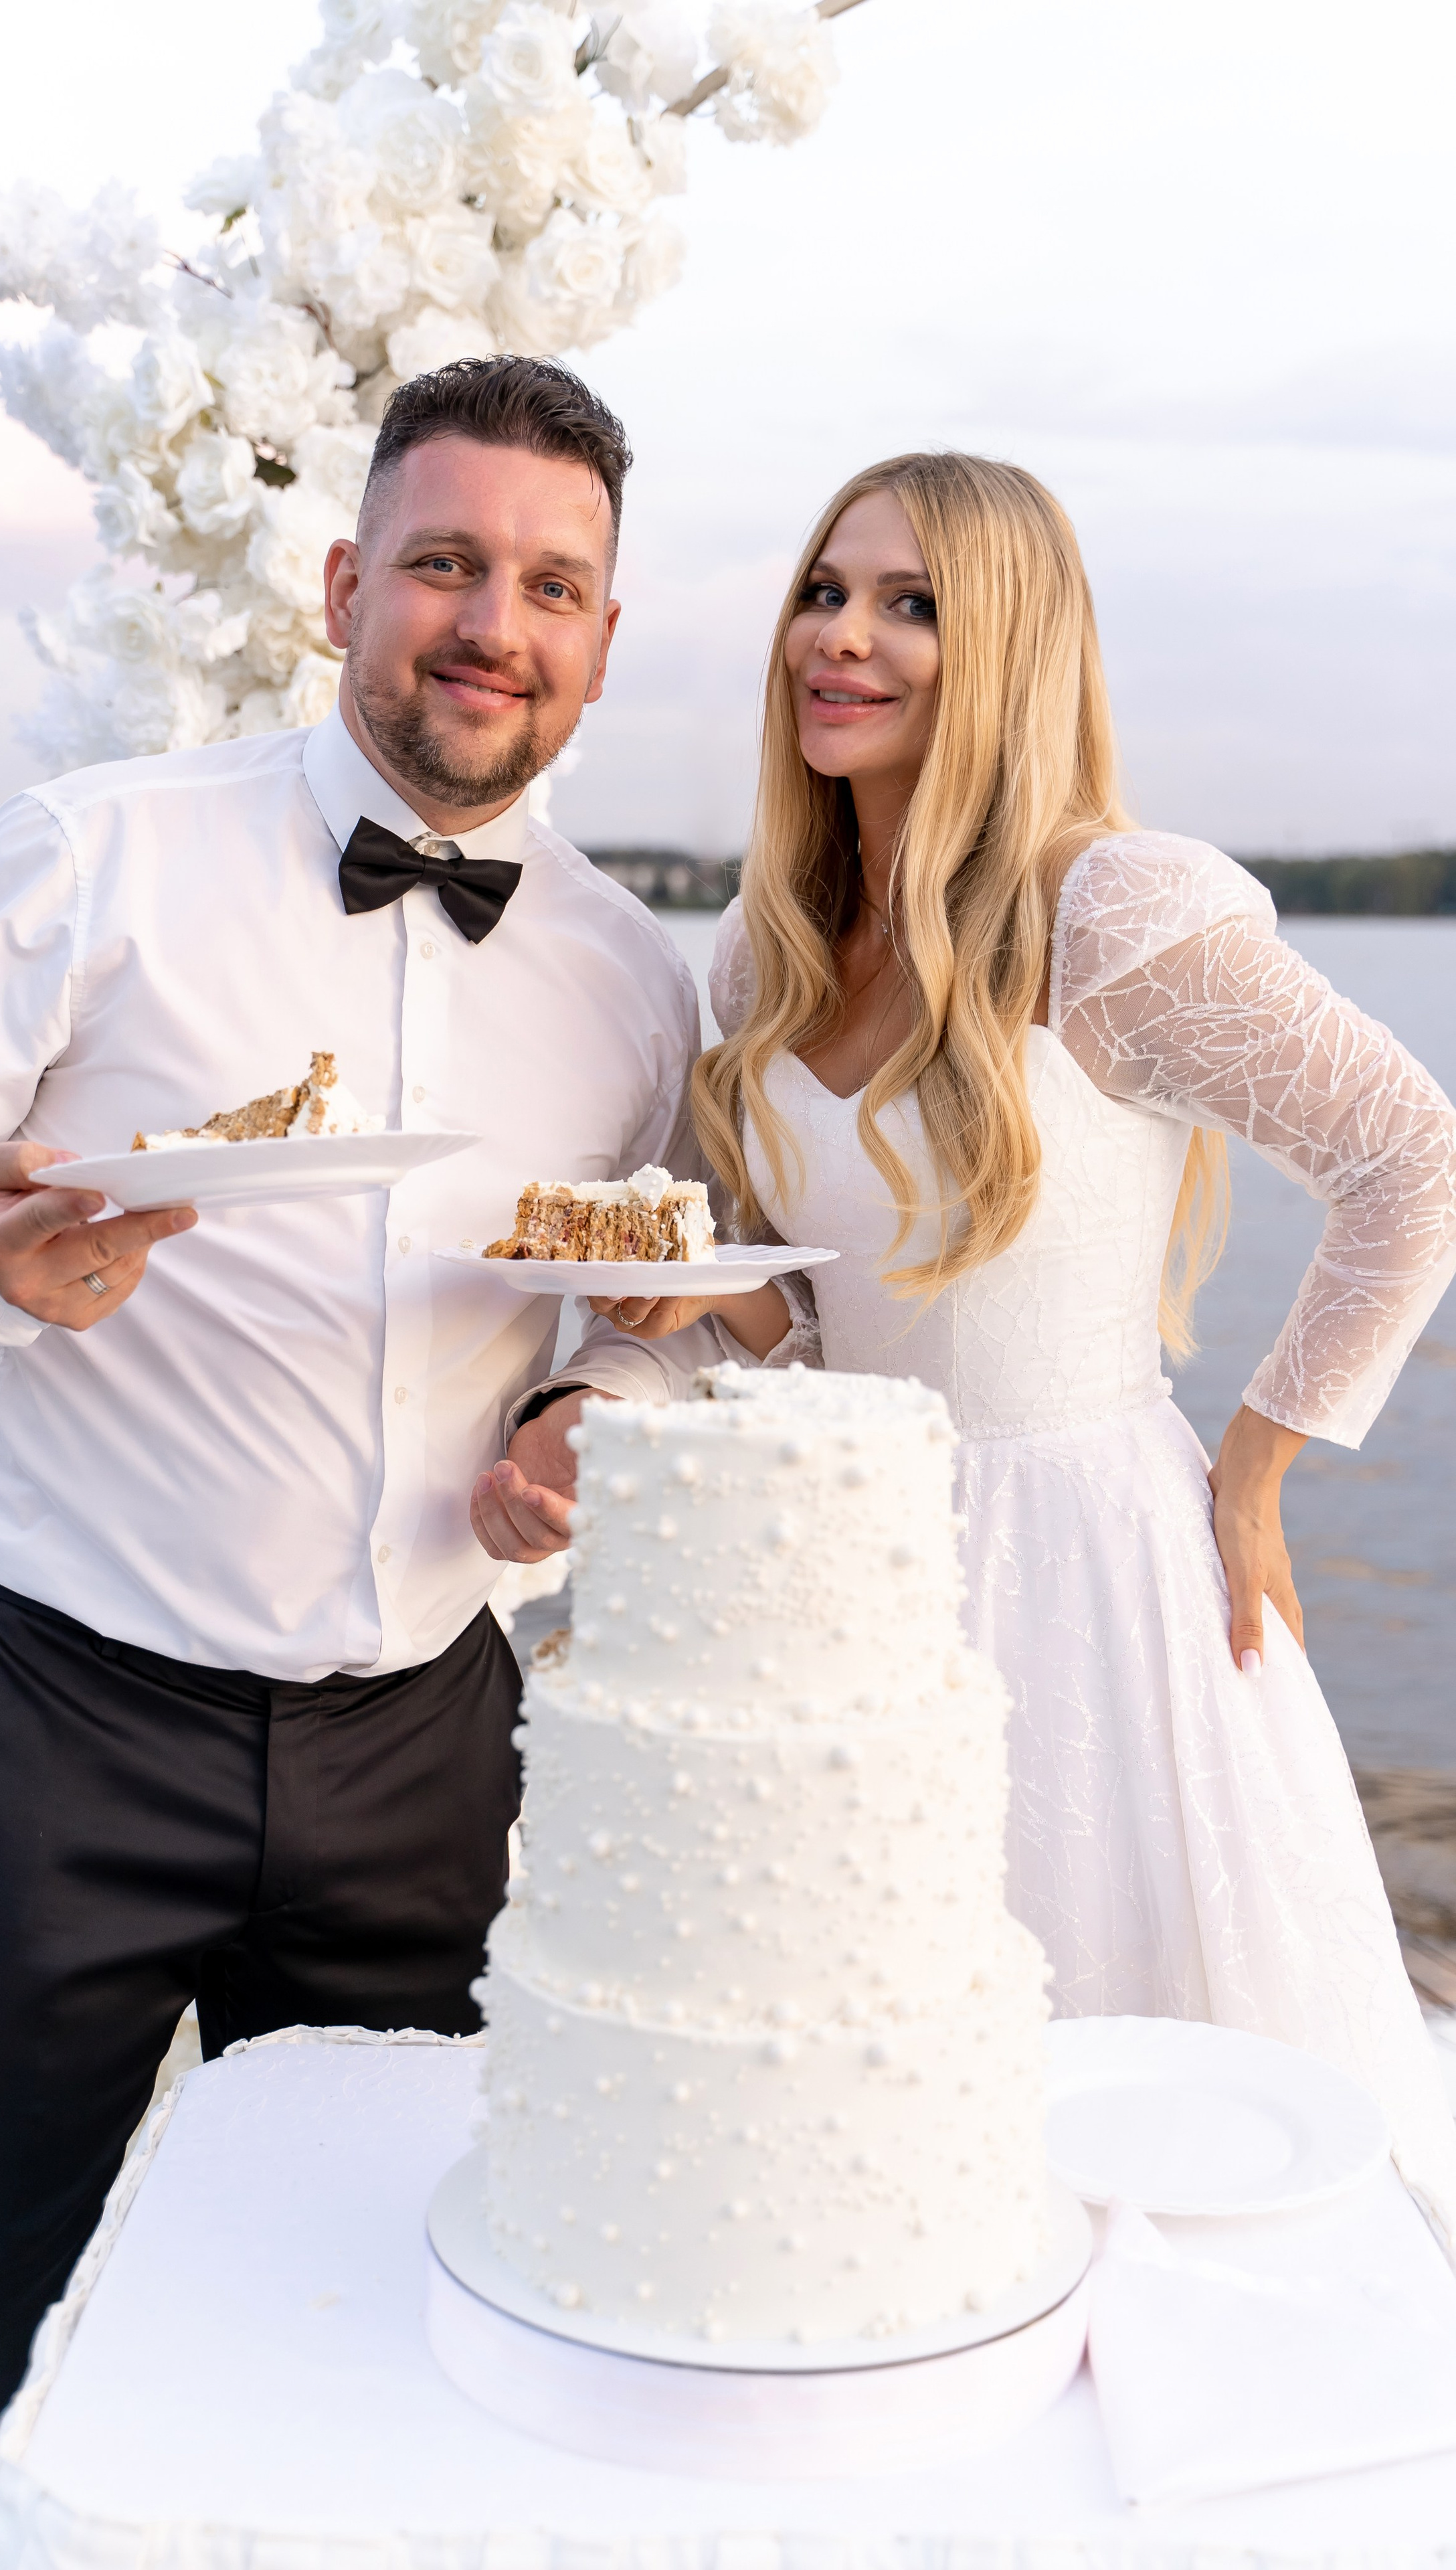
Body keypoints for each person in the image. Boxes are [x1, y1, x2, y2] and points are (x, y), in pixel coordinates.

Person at [0, 356, 701, 2570]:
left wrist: (595, 1423)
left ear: (601, 638)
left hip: (428, 1753)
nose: (495, 622)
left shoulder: (636, 982)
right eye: (450, 563)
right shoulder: (105, 850)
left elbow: (641, 1308)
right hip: (64, 1737)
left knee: (380, 2326)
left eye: (550, 584)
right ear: (341, 581)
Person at [473, 450, 1456, 2245]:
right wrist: (637, 1365)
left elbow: (1409, 1159)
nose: (842, 638)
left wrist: (1256, 1471)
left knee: (1132, 2149)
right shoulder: (762, 957)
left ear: (1008, 641)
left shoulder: (1120, 913)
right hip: (842, 1585)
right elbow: (787, 1312)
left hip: (1098, 1575)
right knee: (866, 2165)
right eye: (825, 590)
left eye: (911, 603)